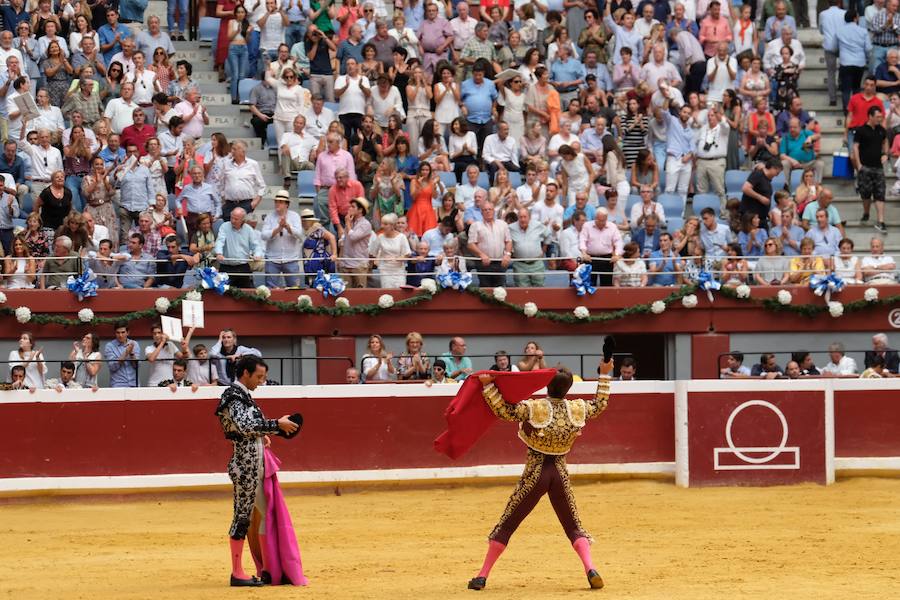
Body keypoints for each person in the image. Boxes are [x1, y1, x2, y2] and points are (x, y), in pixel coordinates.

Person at [469, 357, 613, 591]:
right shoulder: (577, 408)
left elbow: (505, 411)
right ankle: (591, 568)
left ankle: (482, 575)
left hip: (535, 473)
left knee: (507, 524)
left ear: (547, 385)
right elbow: (600, 404)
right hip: (559, 473)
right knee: (573, 525)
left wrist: (488, 386)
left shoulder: (534, 407)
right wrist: (605, 375)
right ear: (569, 388)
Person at [214, 355, 299, 587]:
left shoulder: (244, 397)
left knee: (265, 513)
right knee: (242, 517)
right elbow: (244, 426)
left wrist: (265, 434)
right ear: (245, 374)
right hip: (244, 466)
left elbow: (251, 428)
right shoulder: (232, 396)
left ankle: (268, 567)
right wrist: (274, 425)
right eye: (259, 377)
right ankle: (237, 572)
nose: (261, 381)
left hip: (255, 464)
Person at [853, 105, 889, 233]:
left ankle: (881, 221)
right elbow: (855, 147)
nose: (880, 119)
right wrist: (858, 164)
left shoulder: (881, 130)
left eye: (881, 116)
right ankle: (866, 212)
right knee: (865, 192)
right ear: (870, 116)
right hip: (865, 167)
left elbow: (885, 141)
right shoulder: (861, 130)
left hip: (878, 168)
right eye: (877, 117)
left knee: (880, 194)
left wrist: (885, 154)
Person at [215, 207, 264, 289]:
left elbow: (256, 245)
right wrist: (219, 253)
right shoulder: (224, 226)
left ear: (243, 220)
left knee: (245, 293)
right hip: (226, 267)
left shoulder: (248, 230)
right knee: (223, 292)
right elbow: (220, 241)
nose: (233, 221)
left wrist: (257, 255)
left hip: (243, 267)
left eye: (236, 219)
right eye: (232, 218)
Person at [467, 201, 512, 287]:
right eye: (485, 210)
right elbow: (471, 244)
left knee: (500, 289)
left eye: (490, 209)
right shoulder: (475, 225)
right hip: (484, 263)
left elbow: (509, 241)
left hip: (500, 262)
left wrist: (508, 254)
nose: (488, 211)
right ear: (481, 212)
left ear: (494, 211)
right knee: (485, 289)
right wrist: (481, 254)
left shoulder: (503, 224)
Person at [337, 199, 372, 287]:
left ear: (360, 210)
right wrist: (340, 259)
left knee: (360, 295)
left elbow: (353, 237)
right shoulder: (349, 222)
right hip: (345, 264)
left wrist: (347, 223)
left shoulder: (366, 224)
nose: (350, 209)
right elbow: (343, 241)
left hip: (359, 265)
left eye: (353, 207)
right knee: (345, 294)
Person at [104, 321, 139, 388]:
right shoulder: (109, 346)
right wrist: (126, 353)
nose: (120, 335)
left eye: (123, 332)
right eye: (118, 333)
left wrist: (131, 354)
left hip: (134, 383)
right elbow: (112, 367)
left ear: (128, 333)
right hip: (117, 384)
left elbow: (136, 366)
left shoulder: (134, 344)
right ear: (115, 333)